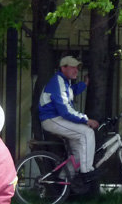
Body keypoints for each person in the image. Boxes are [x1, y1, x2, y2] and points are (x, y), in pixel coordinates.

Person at [39, 56, 99, 184]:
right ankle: (86, 171)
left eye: (77, 67)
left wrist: (84, 84)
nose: (76, 70)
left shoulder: (64, 82)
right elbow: (65, 110)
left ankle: (63, 181)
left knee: (79, 151)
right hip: (52, 119)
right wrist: (86, 120)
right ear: (63, 68)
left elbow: (71, 92)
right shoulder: (58, 81)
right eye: (72, 67)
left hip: (56, 118)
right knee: (87, 133)